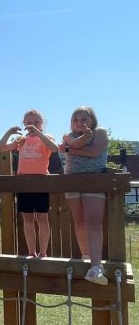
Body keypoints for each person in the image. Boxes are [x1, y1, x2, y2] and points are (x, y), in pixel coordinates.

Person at [0, 109, 58, 258]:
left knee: (43, 219)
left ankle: (43, 252)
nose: (32, 125)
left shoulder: (47, 137)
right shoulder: (21, 140)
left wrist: (38, 133)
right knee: (28, 219)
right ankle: (32, 251)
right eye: (29, 122)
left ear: (42, 123)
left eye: (36, 122)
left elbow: (55, 148)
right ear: (24, 124)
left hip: (41, 182)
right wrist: (9, 132)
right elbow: (1, 148)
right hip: (24, 183)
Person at [59, 106, 109, 285]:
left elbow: (95, 152)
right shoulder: (68, 135)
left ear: (92, 120)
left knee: (93, 222)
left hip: (94, 180)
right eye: (76, 120)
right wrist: (80, 140)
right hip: (72, 180)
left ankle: (96, 267)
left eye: (84, 119)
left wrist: (69, 150)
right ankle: (86, 256)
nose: (79, 122)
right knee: (79, 221)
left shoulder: (100, 132)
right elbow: (74, 144)